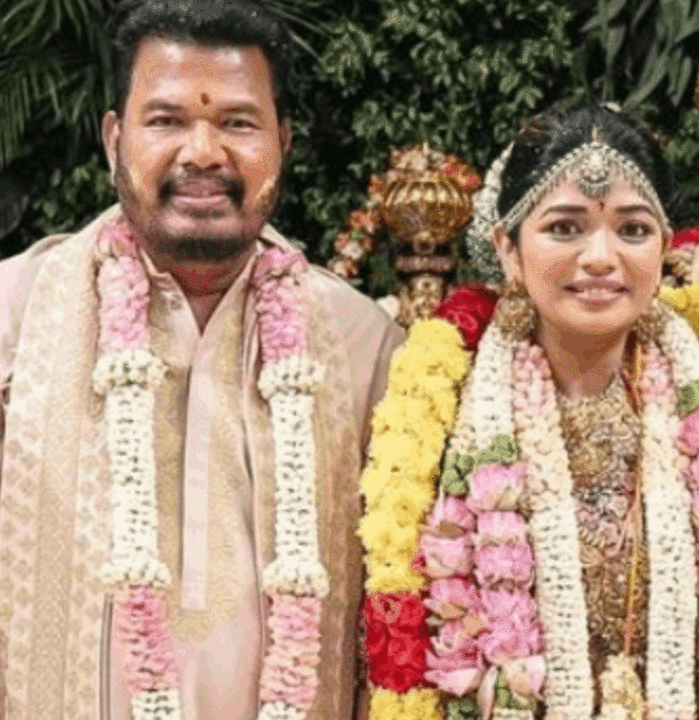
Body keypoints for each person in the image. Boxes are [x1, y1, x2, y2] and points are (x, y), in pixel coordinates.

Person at [0, 1, 403, 718]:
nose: (204, 152)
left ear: (282, 141)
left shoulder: (363, 344)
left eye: (239, 123)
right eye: (167, 120)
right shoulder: (13, 320)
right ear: (114, 137)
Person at [357, 104, 699, 720]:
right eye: (565, 228)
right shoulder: (437, 419)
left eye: (633, 229)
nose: (600, 256)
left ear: (666, 249)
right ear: (507, 249)